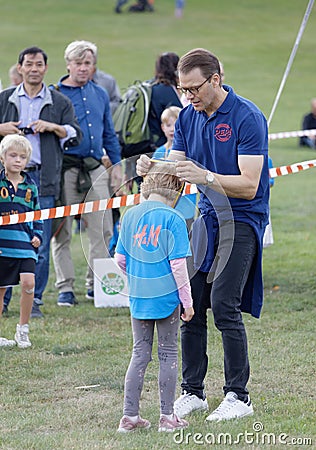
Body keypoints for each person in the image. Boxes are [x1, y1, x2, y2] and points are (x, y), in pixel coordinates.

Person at [137, 47, 270, 422]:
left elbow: (248, 184)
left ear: (216, 80)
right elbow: (176, 164)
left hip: (243, 219)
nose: (189, 96)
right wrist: (152, 164)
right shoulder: (187, 117)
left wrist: (207, 177)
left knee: (225, 304)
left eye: (195, 88)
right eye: (183, 89)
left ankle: (238, 397)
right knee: (189, 305)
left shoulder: (248, 117)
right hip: (206, 217)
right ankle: (192, 392)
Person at [0, 46, 82, 318]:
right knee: (5, 240)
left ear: (46, 68)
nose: (34, 69)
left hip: (42, 179)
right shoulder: (5, 99)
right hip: (6, 180)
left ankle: (33, 300)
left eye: (39, 64)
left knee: (38, 240)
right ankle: (4, 299)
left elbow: (75, 133)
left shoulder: (58, 102)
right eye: (29, 64)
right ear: (20, 67)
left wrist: (53, 127)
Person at [115, 162, 194, 432]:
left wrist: (139, 276)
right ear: (177, 189)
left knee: (139, 354)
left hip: (138, 296)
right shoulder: (174, 219)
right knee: (168, 353)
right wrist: (188, 301)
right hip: (167, 298)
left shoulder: (129, 215)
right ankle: (167, 417)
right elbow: (178, 267)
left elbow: (120, 260)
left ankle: (129, 417)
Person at [51, 40, 122, 306]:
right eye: (78, 63)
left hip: (95, 168)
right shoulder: (55, 94)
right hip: (65, 170)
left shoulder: (100, 93)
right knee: (63, 230)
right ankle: (65, 287)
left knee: (102, 228)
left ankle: (97, 284)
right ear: (68, 64)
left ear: (94, 66)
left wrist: (116, 168)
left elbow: (108, 134)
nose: (83, 68)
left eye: (88, 63)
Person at [0, 135, 43, 348]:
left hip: (25, 245)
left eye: (23, 157)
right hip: (2, 246)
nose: (18, 160)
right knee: (1, 289)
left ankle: (22, 330)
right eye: (13, 155)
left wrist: (38, 235)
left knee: (28, 284)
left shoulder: (31, 186)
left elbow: (37, 214)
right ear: (2, 158)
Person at [152, 106, 196, 230]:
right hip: (164, 210)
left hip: (186, 210)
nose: (172, 129)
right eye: (168, 125)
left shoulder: (190, 151)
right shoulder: (159, 152)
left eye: (176, 125)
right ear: (162, 127)